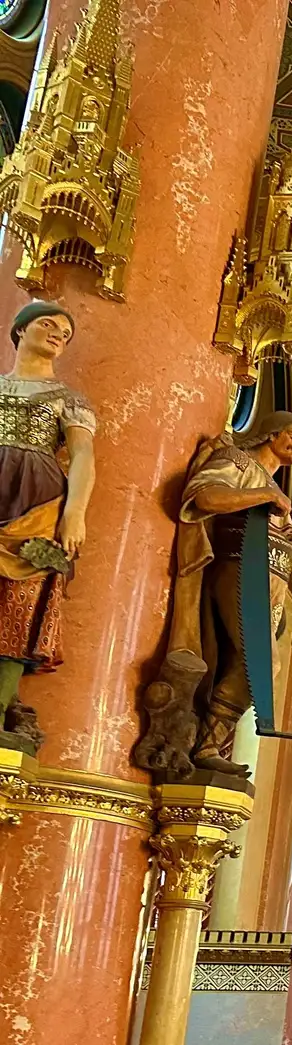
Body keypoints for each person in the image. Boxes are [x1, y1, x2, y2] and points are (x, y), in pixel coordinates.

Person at [160, 411, 292, 774]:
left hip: (266, 586)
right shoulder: (238, 461)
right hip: (238, 571)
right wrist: (264, 495)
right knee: (262, 661)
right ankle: (207, 745)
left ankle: (209, 747)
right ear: (271, 433)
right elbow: (205, 497)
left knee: (247, 662)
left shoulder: (273, 485)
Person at [0, 301, 94, 745]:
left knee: (17, 610)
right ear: (20, 330)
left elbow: (82, 455)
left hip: (37, 500)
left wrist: (75, 513)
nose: (58, 334)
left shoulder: (67, 399)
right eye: (48, 324)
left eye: (66, 333)